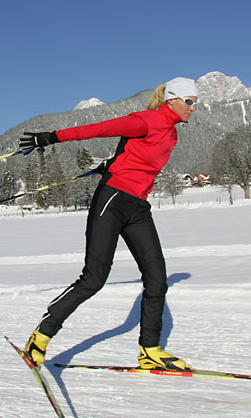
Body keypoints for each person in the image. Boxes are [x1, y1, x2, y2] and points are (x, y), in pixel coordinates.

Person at [18, 77, 199, 370]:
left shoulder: (172, 134)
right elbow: (99, 129)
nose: (193, 108)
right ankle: (41, 336)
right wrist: (52, 136)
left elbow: (136, 156)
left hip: (138, 207)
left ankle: (150, 350)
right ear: (172, 100)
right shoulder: (145, 121)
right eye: (189, 101)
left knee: (157, 278)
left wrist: (114, 162)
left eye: (196, 103)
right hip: (113, 200)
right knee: (94, 278)